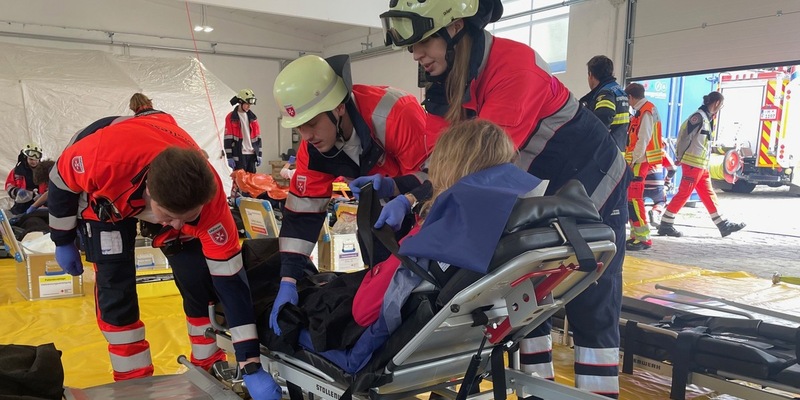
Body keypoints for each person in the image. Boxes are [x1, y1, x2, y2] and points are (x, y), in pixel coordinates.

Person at [380, 0, 630, 397]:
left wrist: (421, 234)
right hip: (538, 183)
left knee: (589, 295)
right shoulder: (455, 83)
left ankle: (600, 393)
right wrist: (406, 191)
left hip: (593, 177)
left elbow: (475, 172)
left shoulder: (513, 69)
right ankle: (537, 392)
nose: (416, 54)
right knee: (526, 297)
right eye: (411, 47)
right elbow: (444, 161)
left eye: (424, 41)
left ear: (457, 26)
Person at [48, 114, 279, 399]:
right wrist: (63, 238)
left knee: (198, 276)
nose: (179, 226)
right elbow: (60, 179)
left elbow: (232, 284)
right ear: (149, 194)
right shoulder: (101, 159)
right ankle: (132, 380)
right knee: (115, 288)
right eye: (170, 217)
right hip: (105, 196)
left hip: (160, 172)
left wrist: (249, 362)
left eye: (187, 219)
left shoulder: (210, 202)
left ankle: (208, 363)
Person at [269, 54, 428, 337]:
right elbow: (302, 215)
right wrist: (288, 280)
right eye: (298, 127)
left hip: (421, 211)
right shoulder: (312, 150)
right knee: (379, 298)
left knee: (421, 299)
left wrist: (400, 194)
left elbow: (436, 178)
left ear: (339, 108)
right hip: (376, 216)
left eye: (312, 123)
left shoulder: (395, 113)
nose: (306, 136)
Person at [658, 91, 746, 238]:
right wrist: (679, 156)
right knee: (684, 194)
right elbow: (685, 137)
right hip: (693, 165)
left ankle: (723, 225)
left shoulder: (705, 118)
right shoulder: (698, 117)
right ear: (717, 103)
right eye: (721, 105)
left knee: (708, 194)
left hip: (701, 166)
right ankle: (666, 224)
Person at [624, 83, 664, 251]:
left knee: (634, 198)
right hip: (639, 160)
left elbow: (644, 138)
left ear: (631, 97)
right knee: (630, 199)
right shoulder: (642, 111)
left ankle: (643, 238)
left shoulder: (646, 111)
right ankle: (636, 236)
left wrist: (633, 159)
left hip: (640, 160)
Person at [580, 55, 630, 152]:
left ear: (590, 75)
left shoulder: (605, 93)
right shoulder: (618, 90)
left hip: (606, 154)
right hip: (617, 150)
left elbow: (603, 117)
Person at [225, 89, 262, 173]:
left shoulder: (253, 118)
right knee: (239, 183)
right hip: (239, 155)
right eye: (247, 104)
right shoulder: (231, 117)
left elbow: (258, 138)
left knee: (251, 183)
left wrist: (259, 154)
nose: (249, 106)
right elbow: (227, 139)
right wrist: (229, 157)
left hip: (252, 155)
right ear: (240, 102)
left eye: (250, 104)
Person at [5, 144, 46, 216]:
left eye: (36, 160)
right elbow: (8, 185)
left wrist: (43, 198)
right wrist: (17, 192)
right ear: (25, 157)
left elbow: (51, 186)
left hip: (39, 204)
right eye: (31, 159)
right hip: (20, 206)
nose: (34, 162)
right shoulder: (17, 171)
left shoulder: (44, 171)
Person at [645, 150, 677, 228]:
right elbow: (673, 169)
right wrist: (667, 181)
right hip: (656, 182)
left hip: (639, 181)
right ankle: (655, 213)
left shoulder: (638, 147)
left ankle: (641, 222)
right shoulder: (659, 150)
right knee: (661, 201)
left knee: (638, 202)